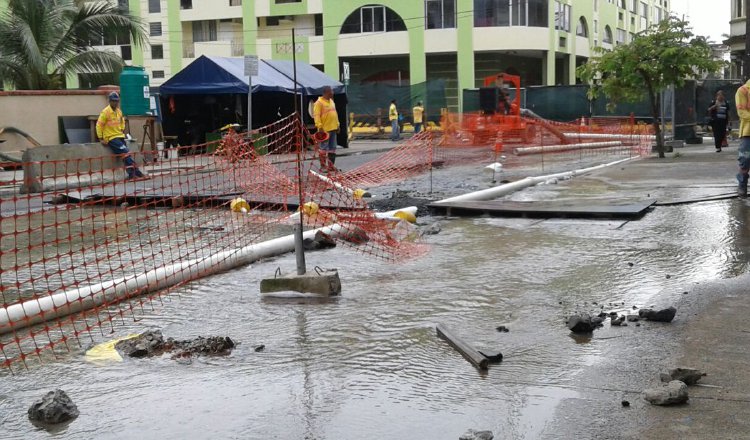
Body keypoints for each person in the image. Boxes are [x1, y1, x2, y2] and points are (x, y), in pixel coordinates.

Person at [96, 92, 145, 180]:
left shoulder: (119, 111)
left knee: (125, 155)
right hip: (111, 138)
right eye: (114, 101)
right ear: (110, 101)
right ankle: (136, 172)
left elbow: (122, 121)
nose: (116, 103)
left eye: (117, 101)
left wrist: (121, 129)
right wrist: (100, 138)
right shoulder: (105, 112)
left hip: (119, 136)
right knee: (126, 152)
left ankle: (132, 174)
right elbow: (99, 125)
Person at [313, 86, 340, 172]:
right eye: (331, 91)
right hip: (324, 130)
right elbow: (316, 116)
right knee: (323, 148)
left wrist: (338, 125)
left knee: (332, 148)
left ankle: (331, 166)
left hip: (333, 128)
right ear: (327, 92)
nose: (333, 92)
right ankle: (323, 166)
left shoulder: (332, 101)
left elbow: (335, 114)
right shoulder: (319, 103)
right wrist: (319, 127)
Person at [735, 80, 750, 197]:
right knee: (745, 160)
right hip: (748, 132)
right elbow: (742, 112)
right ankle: (742, 185)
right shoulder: (743, 91)